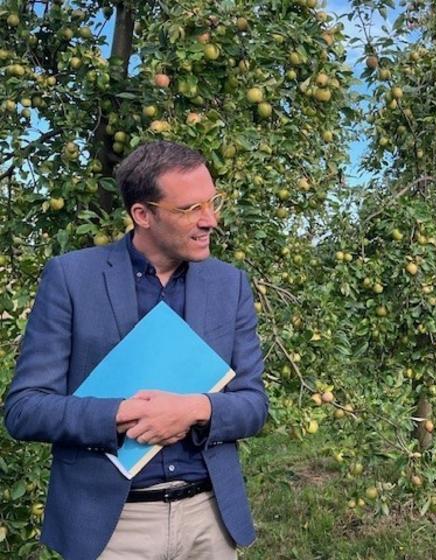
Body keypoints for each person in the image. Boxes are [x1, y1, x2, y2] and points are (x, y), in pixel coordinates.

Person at [4, 141, 268, 560]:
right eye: (190, 209)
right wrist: (124, 415)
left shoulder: (229, 284)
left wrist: (194, 410)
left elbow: (254, 405)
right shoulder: (72, 278)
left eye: (212, 202)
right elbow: (24, 410)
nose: (211, 220)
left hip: (209, 520)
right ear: (142, 215)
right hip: (113, 528)